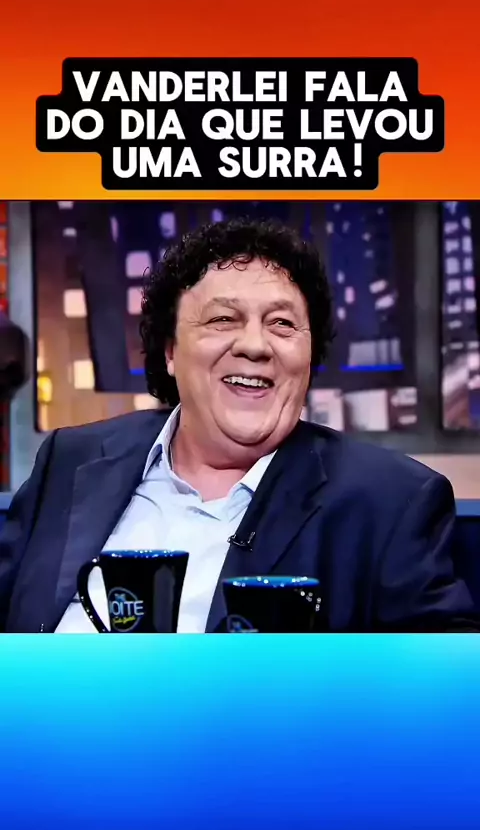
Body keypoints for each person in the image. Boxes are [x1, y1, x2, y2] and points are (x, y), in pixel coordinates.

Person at [0, 217, 477, 632]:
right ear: (170, 351)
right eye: (223, 319)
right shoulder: (70, 460)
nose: (255, 345)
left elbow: (446, 681)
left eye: (282, 324)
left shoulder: (388, 502)